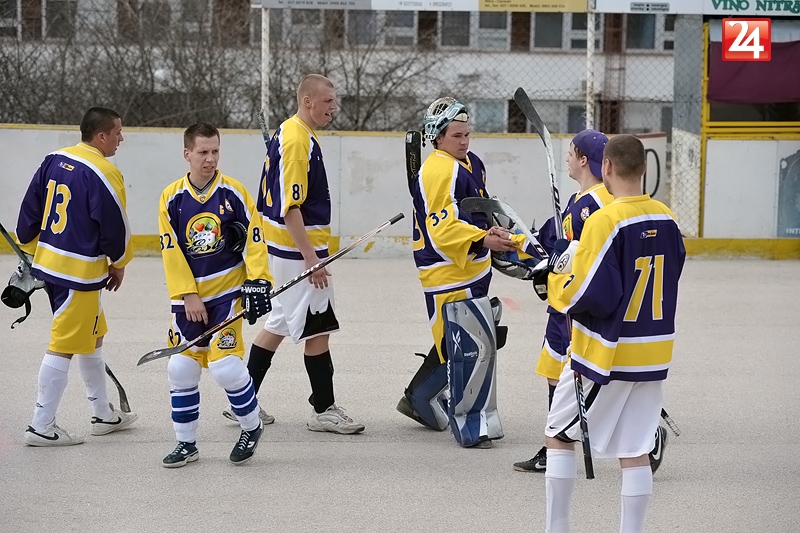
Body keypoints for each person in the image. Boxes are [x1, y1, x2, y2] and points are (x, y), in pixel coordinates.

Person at [542, 134, 685, 533]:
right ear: (644, 168)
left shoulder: (605, 220)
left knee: (558, 435)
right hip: (653, 353)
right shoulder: (667, 217)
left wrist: (553, 279)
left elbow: (588, 294)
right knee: (635, 450)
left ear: (605, 167)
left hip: (605, 354)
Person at [243, 74, 365, 435]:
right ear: (307, 101)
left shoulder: (291, 131)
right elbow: (290, 208)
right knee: (319, 327)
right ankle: (323, 409)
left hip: (285, 250)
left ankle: (242, 402)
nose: (334, 107)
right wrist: (312, 259)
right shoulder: (297, 140)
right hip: (298, 253)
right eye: (328, 101)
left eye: (334, 100)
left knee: (278, 323)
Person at [394, 96, 518, 448]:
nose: (464, 141)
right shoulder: (438, 170)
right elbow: (443, 228)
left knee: (467, 339)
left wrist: (495, 229)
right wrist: (484, 239)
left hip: (473, 265)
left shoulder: (471, 162)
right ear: (437, 137)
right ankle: (446, 411)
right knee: (463, 344)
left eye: (466, 134)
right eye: (456, 136)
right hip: (446, 271)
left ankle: (420, 397)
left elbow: (476, 207)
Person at [14, 106, 138, 446]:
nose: (121, 138)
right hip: (78, 274)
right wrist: (120, 262)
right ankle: (40, 425)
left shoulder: (53, 159)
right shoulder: (105, 171)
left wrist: (32, 248)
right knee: (63, 345)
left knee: (93, 335)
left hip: (53, 266)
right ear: (101, 136)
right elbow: (115, 226)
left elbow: (29, 213)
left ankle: (103, 414)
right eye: (117, 132)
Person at [158, 123, 273, 467]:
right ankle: (186, 444)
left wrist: (258, 280)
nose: (210, 159)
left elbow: (255, 239)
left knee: (225, 368)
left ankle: (251, 426)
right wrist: (187, 294)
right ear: (187, 154)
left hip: (227, 295)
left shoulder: (234, 192)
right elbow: (170, 250)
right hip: (189, 301)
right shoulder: (171, 197)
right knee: (181, 367)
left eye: (215, 151)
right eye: (203, 152)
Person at [513, 129, 613, 472]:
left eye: (571, 152)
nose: (567, 158)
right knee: (555, 373)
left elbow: (587, 253)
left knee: (577, 376)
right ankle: (555, 445)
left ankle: (641, 434)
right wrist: (518, 241)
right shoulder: (579, 199)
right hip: (561, 304)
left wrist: (559, 262)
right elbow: (553, 238)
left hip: (576, 306)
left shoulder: (595, 203)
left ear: (583, 160)